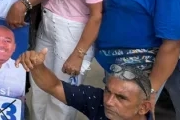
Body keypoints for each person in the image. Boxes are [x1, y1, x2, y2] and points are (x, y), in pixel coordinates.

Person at [18, 48, 154, 120]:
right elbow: (54, 86)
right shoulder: (97, 100)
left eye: (121, 97)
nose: (109, 102)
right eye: (108, 91)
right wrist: (37, 66)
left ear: (143, 107)